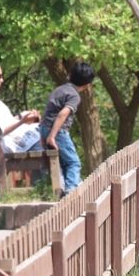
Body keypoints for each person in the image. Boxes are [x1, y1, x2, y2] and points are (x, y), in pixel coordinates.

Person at [40, 62, 96, 195]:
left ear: (69, 75)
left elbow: (47, 112)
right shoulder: (74, 96)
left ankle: (67, 186)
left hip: (45, 128)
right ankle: (71, 191)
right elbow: (63, 114)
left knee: (64, 162)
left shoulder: (59, 89)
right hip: (57, 131)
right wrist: (52, 136)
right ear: (87, 85)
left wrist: (44, 135)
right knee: (73, 162)